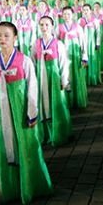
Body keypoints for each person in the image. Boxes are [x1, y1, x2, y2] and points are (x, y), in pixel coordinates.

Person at [0, 22, 53, 204]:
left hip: (22, 113)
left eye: (6, 35)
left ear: (15, 38)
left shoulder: (24, 60)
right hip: (1, 113)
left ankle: (33, 186)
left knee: (28, 146)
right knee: (4, 150)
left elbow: (32, 88)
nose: (2, 39)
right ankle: (11, 188)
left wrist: (32, 112)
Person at [32, 16, 72, 147]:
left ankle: (59, 133)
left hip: (54, 77)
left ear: (52, 26)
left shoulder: (58, 44)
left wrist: (64, 79)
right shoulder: (36, 43)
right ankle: (45, 135)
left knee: (57, 104)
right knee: (42, 105)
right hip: (40, 76)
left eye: (47, 25)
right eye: (42, 25)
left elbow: (63, 63)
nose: (44, 28)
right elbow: (32, 61)